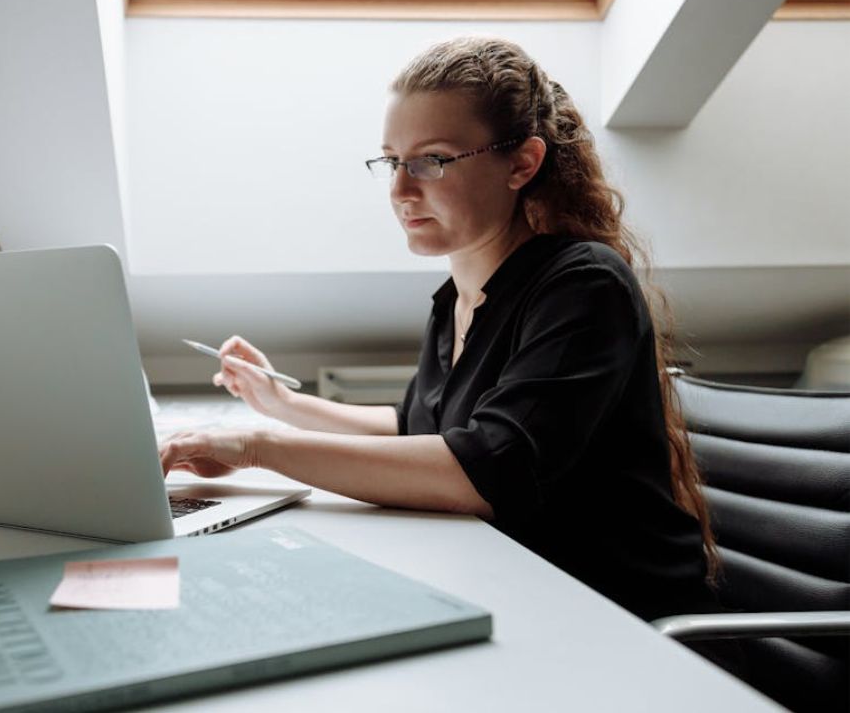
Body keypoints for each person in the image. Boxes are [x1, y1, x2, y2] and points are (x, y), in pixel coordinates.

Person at [158, 37, 723, 625]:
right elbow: (418, 428)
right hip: (515, 590)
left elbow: (482, 471)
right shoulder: (456, 297)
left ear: (522, 163)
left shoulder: (584, 287)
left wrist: (258, 449)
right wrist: (283, 405)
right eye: (391, 160)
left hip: (622, 622)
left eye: (431, 160)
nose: (401, 190)